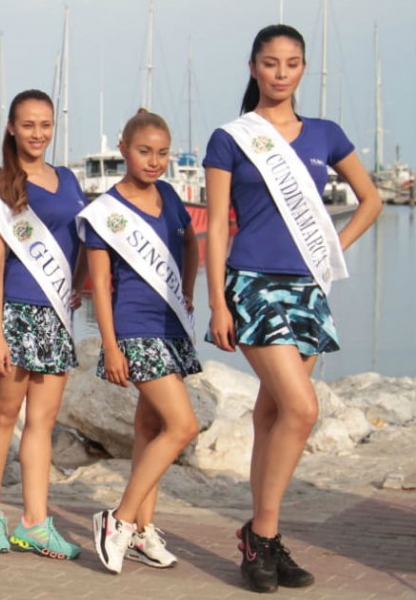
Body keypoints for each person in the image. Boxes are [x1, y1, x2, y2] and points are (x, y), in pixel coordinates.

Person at [204, 24, 382, 593]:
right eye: (271, 63)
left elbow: (371, 199)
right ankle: (262, 535)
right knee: (302, 410)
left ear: (303, 69)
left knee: (272, 415)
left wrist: (333, 250)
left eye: (292, 64)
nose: (281, 74)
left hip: (308, 287)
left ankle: (264, 538)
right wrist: (217, 303)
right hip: (252, 283)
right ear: (253, 68)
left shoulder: (326, 134)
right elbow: (213, 231)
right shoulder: (230, 138)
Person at [80, 109, 201, 574]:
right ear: (125, 149)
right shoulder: (104, 212)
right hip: (134, 328)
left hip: (172, 327)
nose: (155, 161)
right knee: (183, 426)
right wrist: (110, 348)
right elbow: (100, 288)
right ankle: (119, 519)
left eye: (163, 153)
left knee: (151, 431)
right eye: (145, 151)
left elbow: (190, 244)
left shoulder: (170, 196)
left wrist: (187, 291)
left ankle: (143, 532)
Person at [0, 89, 86, 559]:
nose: (38, 133)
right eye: (28, 124)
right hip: (15, 313)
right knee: (3, 415)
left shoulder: (70, 179)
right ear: (12, 127)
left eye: (45, 124)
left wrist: (77, 283)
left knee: (43, 421)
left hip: (57, 314)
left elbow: (78, 238)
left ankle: (35, 522)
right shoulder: (0, 188)